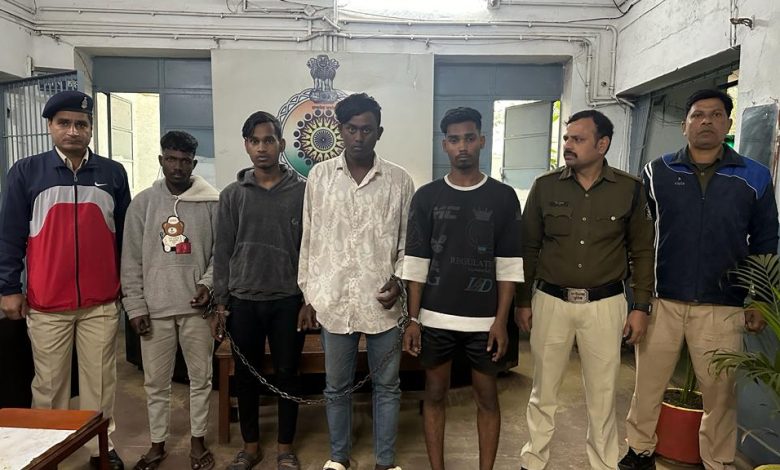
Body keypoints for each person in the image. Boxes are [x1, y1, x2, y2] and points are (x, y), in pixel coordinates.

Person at [619, 89, 779, 470]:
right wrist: (640, 300)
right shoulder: (657, 172)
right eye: (697, 114)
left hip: (723, 305)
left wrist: (759, 299)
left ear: (727, 123)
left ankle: (716, 461)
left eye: (715, 114)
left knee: (720, 395)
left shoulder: (754, 176)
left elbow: (766, 241)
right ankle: (639, 451)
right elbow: (640, 238)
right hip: (663, 301)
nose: (706, 121)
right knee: (647, 386)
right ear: (684, 124)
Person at [516, 109, 655, 470]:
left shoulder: (629, 189)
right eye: (566, 138)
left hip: (605, 304)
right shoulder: (546, 186)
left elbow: (642, 251)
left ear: (602, 144)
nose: (568, 145)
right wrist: (522, 300)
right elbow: (528, 247)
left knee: (603, 394)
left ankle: (603, 464)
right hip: (551, 300)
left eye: (577, 139)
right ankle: (533, 460)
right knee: (543, 390)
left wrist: (640, 306)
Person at [0, 90, 130, 469]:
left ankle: (100, 448)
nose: (73, 131)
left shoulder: (112, 173)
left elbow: (126, 238)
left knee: (100, 382)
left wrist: (127, 287)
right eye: (64, 123)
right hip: (47, 302)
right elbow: (9, 235)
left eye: (81, 124)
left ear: (90, 129)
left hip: (100, 302)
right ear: (50, 126)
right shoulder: (26, 172)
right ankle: (47, 449)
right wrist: (8, 288)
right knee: (49, 384)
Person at [297, 93, 414, 470]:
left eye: (367, 129)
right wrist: (309, 294)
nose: (359, 137)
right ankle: (338, 458)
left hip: (383, 303)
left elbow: (408, 242)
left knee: (388, 386)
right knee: (336, 386)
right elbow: (309, 239)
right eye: (351, 129)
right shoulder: (319, 177)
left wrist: (400, 280)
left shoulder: (399, 180)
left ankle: (385, 461)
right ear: (340, 130)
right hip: (333, 301)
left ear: (379, 132)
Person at [402, 107, 523, 470]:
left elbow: (508, 265)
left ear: (482, 140)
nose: (462, 146)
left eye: (469, 138)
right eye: (454, 140)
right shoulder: (427, 197)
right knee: (435, 395)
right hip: (435, 317)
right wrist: (413, 319)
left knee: (487, 398)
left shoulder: (503, 197)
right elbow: (416, 263)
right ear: (445, 145)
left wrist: (501, 321)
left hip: (484, 322)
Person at [211, 111, 306, 470]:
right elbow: (222, 252)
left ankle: (285, 447)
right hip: (243, 301)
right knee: (246, 375)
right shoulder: (232, 195)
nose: (262, 147)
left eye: (269, 140)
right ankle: (250, 446)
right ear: (246, 146)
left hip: (288, 301)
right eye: (255, 141)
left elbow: (312, 249)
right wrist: (221, 304)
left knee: (288, 374)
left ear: (281, 144)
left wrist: (308, 299)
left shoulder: (303, 193)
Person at [121, 131, 219, 470]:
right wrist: (135, 306)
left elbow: (221, 254)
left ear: (194, 163)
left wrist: (207, 285)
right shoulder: (143, 204)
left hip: (196, 309)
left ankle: (198, 440)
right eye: (171, 159)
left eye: (185, 161)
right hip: (155, 310)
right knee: (155, 383)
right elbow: (130, 260)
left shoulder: (211, 202)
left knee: (201, 379)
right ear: (161, 160)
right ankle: (157, 444)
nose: (177, 166)